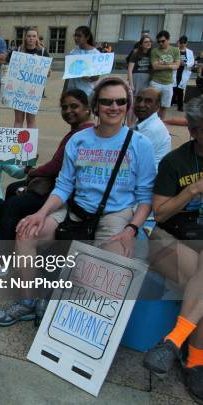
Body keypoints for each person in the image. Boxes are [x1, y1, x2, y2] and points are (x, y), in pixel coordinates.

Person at [0, 77, 156, 326]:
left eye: (120, 101)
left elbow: (145, 198)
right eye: (107, 101)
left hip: (115, 215)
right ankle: (28, 301)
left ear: (128, 105)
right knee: (26, 231)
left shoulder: (140, 144)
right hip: (75, 209)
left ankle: (67, 309)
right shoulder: (79, 140)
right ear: (96, 106)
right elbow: (64, 185)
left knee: (108, 268)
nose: (114, 107)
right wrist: (41, 213)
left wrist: (132, 229)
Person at [143, 96, 203, 403]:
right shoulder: (174, 162)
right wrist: (192, 190)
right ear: (193, 130)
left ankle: (173, 342)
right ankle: (194, 361)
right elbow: (161, 214)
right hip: (171, 238)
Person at [0, 89, 95, 244]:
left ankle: (1, 259)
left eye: (74, 106)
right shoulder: (79, 131)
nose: (68, 111)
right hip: (59, 183)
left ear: (87, 108)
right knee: (11, 189)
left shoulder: (82, 134)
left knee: (13, 204)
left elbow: (55, 166)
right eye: (64, 107)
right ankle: (6, 233)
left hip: (64, 191)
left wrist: (34, 171)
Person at [8, 27, 50, 128]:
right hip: (18, 90)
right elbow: (11, 67)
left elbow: (48, 73)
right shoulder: (18, 51)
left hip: (34, 91)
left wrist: (45, 71)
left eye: (34, 36)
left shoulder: (43, 52)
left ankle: (30, 143)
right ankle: (17, 143)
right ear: (25, 38)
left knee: (31, 120)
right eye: (29, 36)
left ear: (37, 38)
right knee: (18, 120)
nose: (31, 38)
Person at [133, 87, 172, 168]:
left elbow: (131, 160)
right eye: (139, 99)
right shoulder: (144, 122)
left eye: (148, 101)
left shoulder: (151, 129)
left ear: (157, 106)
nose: (141, 104)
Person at [150, 30, 180, 119]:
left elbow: (177, 66)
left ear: (168, 40)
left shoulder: (175, 50)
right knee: (153, 105)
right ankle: (151, 124)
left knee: (164, 106)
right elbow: (155, 66)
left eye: (163, 41)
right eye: (159, 42)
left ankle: (160, 124)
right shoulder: (155, 51)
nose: (160, 43)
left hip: (168, 83)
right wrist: (171, 65)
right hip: (156, 82)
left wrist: (162, 64)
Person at [66, 26, 100, 98]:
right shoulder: (73, 52)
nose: (76, 38)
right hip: (71, 91)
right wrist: (64, 91)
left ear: (87, 37)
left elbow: (96, 77)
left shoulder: (95, 54)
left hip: (86, 93)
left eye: (79, 36)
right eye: (75, 35)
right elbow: (68, 75)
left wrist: (88, 78)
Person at [127, 35, 152, 126]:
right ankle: (129, 124)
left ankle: (135, 124)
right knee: (133, 103)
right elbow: (129, 70)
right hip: (136, 79)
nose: (148, 43)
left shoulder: (152, 54)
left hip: (147, 80)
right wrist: (131, 84)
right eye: (146, 42)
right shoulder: (136, 53)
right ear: (141, 44)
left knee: (141, 103)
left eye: (149, 41)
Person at [172, 36, 195, 112]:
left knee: (181, 89)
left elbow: (192, 62)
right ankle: (171, 102)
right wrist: (178, 63)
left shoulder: (190, 52)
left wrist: (185, 64)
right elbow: (171, 60)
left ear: (186, 43)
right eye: (181, 43)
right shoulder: (175, 50)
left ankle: (180, 106)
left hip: (184, 71)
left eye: (184, 43)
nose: (182, 45)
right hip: (176, 71)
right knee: (174, 87)